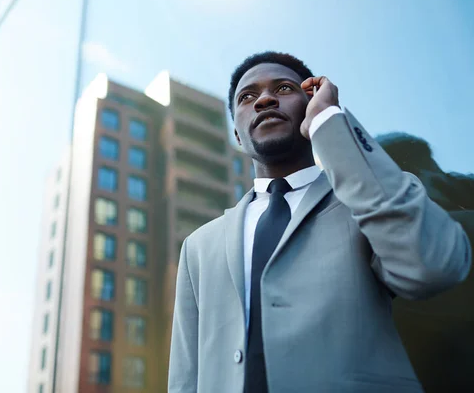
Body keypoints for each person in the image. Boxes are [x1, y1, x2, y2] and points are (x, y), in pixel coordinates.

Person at [168, 52, 472, 393]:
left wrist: (328, 120)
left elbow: (433, 265)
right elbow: (186, 375)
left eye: (283, 88)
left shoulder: (367, 198)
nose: (265, 99)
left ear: (310, 101)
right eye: (247, 97)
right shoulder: (198, 245)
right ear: (237, 135)